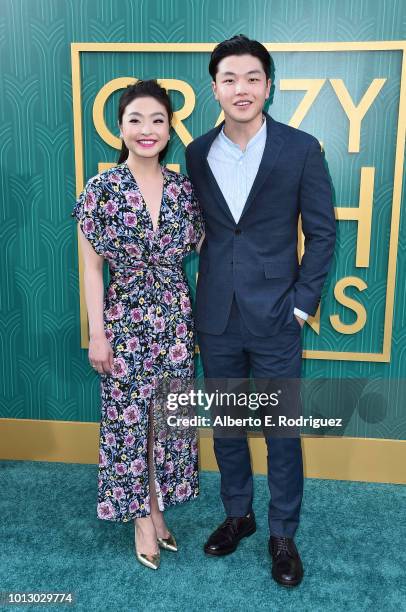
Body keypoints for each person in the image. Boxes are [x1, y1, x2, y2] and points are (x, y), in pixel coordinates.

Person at [185, 36, 336, 587]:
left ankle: (282, 533)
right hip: (216, 314)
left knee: (280, 431)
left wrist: (302, 304)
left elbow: (322, 233)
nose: (241, 88)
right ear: (215, 88)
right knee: (226, 425)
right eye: (229, 79)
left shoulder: (301, 148)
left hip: (278, 314)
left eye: (252, 78)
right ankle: (238, 515)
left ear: (268, 85)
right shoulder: (196, 153)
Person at [72, 80, 204, 570]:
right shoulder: (101, 190)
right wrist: (97, 333)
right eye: (136, 120)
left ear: (169, 129)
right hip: (124, 319)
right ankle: (143, 517)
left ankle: (157, 504)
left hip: (173, 318)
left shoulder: (184, 190)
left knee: (166, 422)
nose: (147, 130)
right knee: (129, 423)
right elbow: (91, 268)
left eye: (157, 120)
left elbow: (204, 250)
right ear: (121, 128)